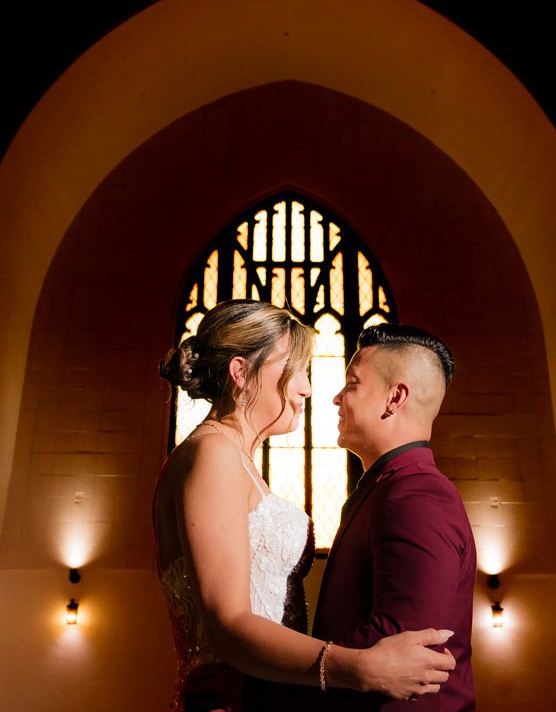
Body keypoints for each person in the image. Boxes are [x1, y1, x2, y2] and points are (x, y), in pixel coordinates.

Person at [154, 300, 456, 711]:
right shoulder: (214, 454)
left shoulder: (235, 460)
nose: (307, 388)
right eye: (294, 370)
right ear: (241, 373)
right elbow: (229, 624)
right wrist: (360, 667)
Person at [247, 323, 476, 711]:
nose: (336, 398)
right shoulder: (385, 490)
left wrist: (260, 690)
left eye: (352, 384)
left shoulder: (419, 496)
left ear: (395, 397)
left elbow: (404, 652)